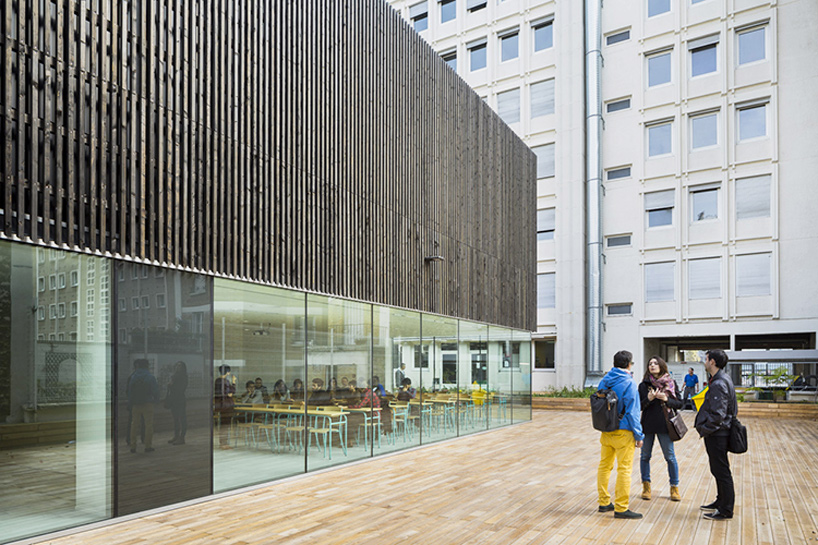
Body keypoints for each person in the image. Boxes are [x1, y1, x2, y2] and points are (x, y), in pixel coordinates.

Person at [596, 350, 644, 519]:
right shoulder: (629, 383)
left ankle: (603, 502)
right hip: (624, 432)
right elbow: (632, 412)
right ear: (629, 364)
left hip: (606, 429)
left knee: (604, 466)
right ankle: (621, 508)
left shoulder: (604, 380)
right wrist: (639, 436)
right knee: (624, 469)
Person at [695, 349, 737, 521]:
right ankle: (720, 502)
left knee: (721, 471)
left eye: (705, 359)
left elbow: (718, 414)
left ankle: (726, 509)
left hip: (717, 434)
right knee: (718, 469)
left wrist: (705, 428)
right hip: (718, 432)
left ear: (712, 362)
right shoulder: (721, 378)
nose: (704, 362)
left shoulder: (719, 383)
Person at [639, 356, 682, 502]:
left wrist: (666, 399)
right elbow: (639, 406)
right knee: (645, 456)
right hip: (648, 425)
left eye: (655, 363)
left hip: (665, 425)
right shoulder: (644, 385)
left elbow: (680, 404)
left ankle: (674, 487)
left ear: (661, 365)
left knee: (670, 457)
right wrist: (649, 399)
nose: (652, 365)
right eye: (650, 363)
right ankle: (646, 486)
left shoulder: (671, 383)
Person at [127, 359, 159, 453]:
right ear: (147, 366)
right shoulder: (150, 377)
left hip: (136, 404)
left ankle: (133, 446)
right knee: (148, 425)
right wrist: (156, 401)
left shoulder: (133, 377)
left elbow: (130, 392)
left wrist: (130, 403)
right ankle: (147, 445)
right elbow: (155, 390)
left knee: (134, 425)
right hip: (148, 403)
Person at [167, 361, 189, 445]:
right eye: (177, 365)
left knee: (182, 418)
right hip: (174, 400)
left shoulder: (183, 377)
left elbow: (181, 389)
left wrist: (172, 385)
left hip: (180, 400)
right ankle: (176, 436)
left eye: (180, 366)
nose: (178, 367)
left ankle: (182, 437)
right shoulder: (174, 376)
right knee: (175, 418)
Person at [214, 364, 236, 450]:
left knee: (222, 424)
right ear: (228, 372)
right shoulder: (225, 381)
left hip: (220, 405)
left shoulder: (217, 381)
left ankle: (222, 442)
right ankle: (224, 443)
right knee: (226, 424)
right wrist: (233, 382)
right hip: (226, 405)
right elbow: (231, 392)